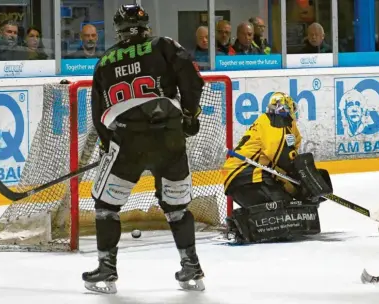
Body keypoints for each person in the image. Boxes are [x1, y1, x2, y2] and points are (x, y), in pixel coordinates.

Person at [83, 4, 205, 294]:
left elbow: (99, 111)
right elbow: (192, 80)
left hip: (128, 143)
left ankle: (107, 272)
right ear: (145, 24)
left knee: (105, 207)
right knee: (177, 207)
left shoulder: (104, 61)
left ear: (118, 29)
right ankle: (191, 267)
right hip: (169, 138)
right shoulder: (163, 46)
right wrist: (189, 115)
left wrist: (106, 144)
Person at [222, 92, 333, 244]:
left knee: (291, 205)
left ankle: (243, 222)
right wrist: (305, 180)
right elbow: (284, 159)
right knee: (285, 212)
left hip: (254, 177)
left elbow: (281, 167)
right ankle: (239, 223)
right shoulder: (275, 122)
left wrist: (301, 190)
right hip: (247, 176)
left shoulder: (273, 122)